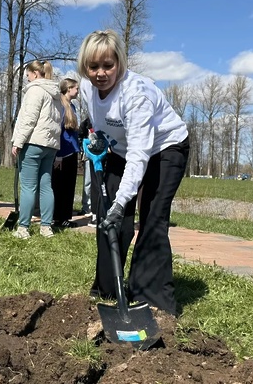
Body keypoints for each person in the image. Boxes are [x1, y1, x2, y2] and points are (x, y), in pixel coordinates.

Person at [77, 29, 189, 317]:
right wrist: (96, 136)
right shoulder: (86, 87)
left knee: (152, 218)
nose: (101, 73)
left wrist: (122, 200)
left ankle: (151, 298)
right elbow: (97, 119)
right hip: (121, 151)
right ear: (85, 67)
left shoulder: (136, 93)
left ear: (120, 63)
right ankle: (107, 288)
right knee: (109, 219)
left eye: (108, 65)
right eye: (94, 67)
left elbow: (140, 154)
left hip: (165, 149)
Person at [10, 60, 63, 239]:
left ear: (35, 73)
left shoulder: (35, 90)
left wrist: (18, 141)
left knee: (28, 187)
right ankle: (46, 227)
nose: (27, 79)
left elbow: (29, 119)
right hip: (50, 145)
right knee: (46, 186)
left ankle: (23, 227)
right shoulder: (56, 94)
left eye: (28, 76)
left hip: (33, 143)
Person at [52, 77, 81, 228]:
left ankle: (65, 217)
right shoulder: (60, 106)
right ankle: (58, 217)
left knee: (69, 185)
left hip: (72, 151)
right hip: (62, 153)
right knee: (59, 185)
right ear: (68, 89)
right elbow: (58, 131)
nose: (78, 91)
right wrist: (58, 155)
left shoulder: (73, 107)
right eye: (76, 88)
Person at [78, 118, 95, 226]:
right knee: (87, 182)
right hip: (89, 155)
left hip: (102, 156)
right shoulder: (86, 122)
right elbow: (80, 134)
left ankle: (96, 208)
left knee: (98, 184)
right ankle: (86, 207)